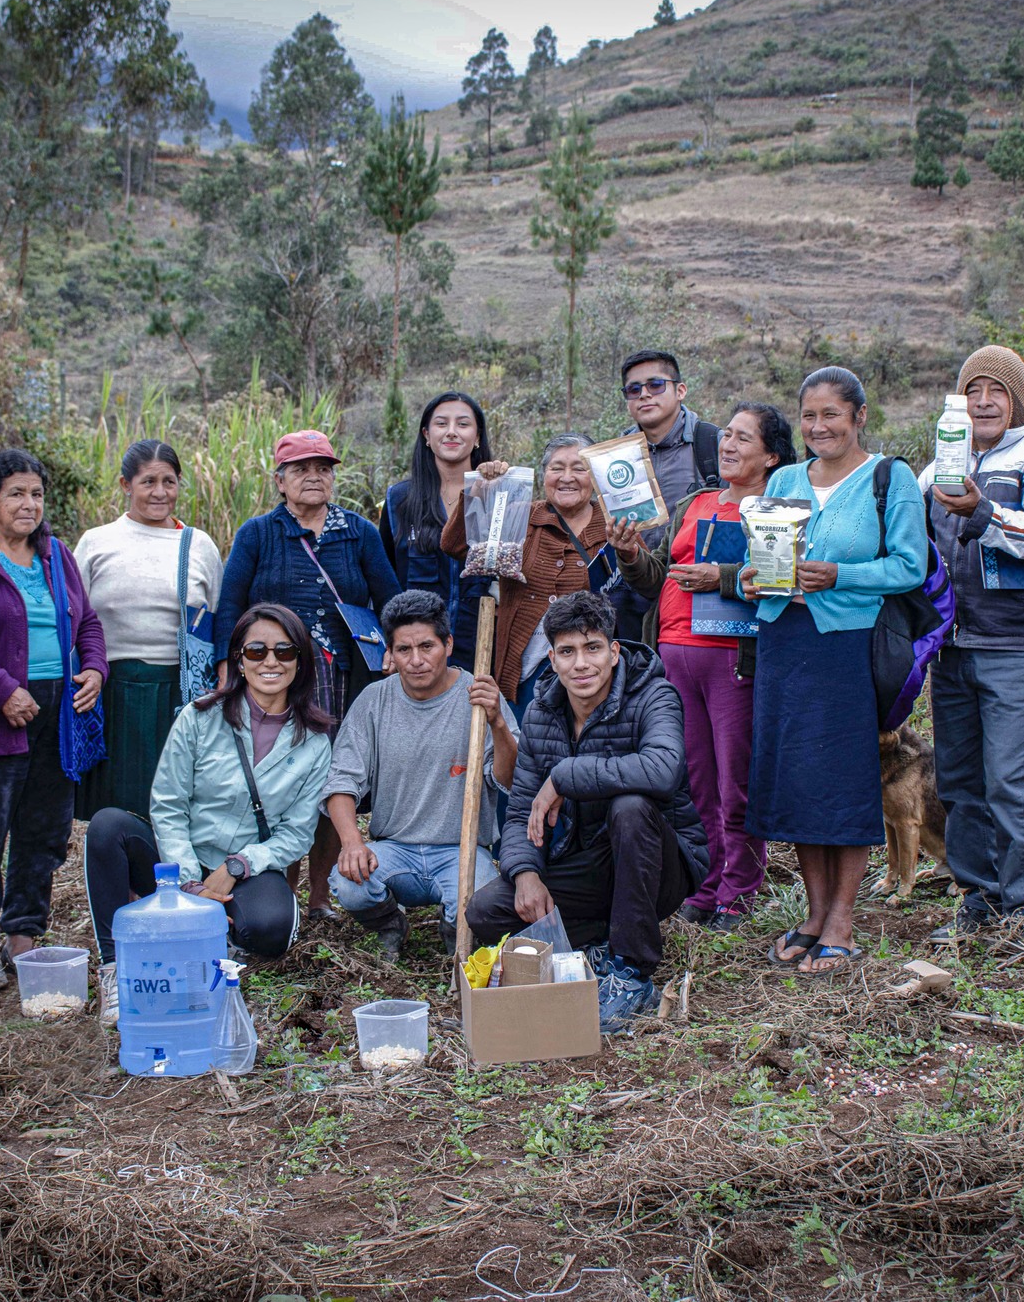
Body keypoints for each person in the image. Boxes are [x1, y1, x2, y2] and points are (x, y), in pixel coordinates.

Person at [742, 367, 927, 974]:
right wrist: (750, 579)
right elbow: (764, 558)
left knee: (843, 783)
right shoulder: (787, 478)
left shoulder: (888, 478)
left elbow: (909, 565)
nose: (819, 427)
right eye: (810, 416)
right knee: (797, 781)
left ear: (860, 416)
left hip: (846, 646)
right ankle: (814, 914)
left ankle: (843, 919)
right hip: (783, 642)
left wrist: (841, 575)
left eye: (832, 415)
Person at [466, 591, 708, 1031]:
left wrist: (563, 776)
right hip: (589, 865)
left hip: (661, 862)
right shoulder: (542, 713)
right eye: (567, 652)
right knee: (486, 911)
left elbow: (663, 769)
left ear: (614, 652)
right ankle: (602, 942)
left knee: (630, 806)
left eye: (593, 648)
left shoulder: (654, 695)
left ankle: (631, 970)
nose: (581, 664)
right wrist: (526, 874)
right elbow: (520, 811)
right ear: (553, 661)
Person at [83, 603, 332, 1020]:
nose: (270, 661)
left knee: (272, 929)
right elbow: (168, 803)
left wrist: (239, 864)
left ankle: (210, 936)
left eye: (284, 651)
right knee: (108, 827)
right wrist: (188, 882)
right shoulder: (200, 717)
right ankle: (115, 966)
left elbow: (296, 834)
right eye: (256, 651)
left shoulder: (314, 742)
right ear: (238, 658)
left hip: (244, 870)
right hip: (178, 862)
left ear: (301, 660)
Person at [916, 346, 1024, 942]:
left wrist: (984, 511)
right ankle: (978, 896)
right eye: (973, 391)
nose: (984, 401)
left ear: (1018, 400)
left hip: (1016, 642)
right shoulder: (942, 462)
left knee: (1009, 777)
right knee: (959, 778)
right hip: (953, 645)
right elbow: (915, 539)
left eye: (997, 391)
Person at [0, 450, 107, 993]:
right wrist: (2, 689)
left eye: (36, 494)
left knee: (43, 831)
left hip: (57, 713)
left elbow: (89, 621)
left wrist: (96, 669)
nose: (29, 504)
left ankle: (24, 932)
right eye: (16, 494)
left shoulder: (56, 556)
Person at [620, 402, 797, 932]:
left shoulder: (776, 508)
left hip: (732, 658)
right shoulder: (694, 503)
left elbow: (777, 576)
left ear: (770, 456)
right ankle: (708, 881)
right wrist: (630, 556)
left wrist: (720, 577)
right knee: (695, 779)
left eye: (744, 439)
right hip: (675, 654)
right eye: (727, 436)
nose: (729, 445)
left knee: (733, 778)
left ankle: (740, 888)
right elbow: (660, 580)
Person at [216, 430, 398, 918]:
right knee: (278, 785)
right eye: (301, 469)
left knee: (332, 782)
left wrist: (394, 648)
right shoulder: (257, 534)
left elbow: (389, 598)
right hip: (276, 681)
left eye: (323, 468)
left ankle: (320, 896)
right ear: (280, 480)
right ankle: (277, 893)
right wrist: (222, 669)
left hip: (342, 681)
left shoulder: (358, 532)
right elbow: (231, 605)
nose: (314, 477)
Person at [326, 590, 518, 960]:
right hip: (394, 849)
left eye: (427, 647)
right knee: (350, 885)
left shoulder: (478, 697)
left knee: (482, 899)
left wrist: (497, 724)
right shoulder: (374, 700)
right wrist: (352, 843)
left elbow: (508, 780)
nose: (416, 661)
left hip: (462, 850)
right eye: (403, 650)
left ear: (447, 644)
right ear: (390, 652)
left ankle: (455, 926)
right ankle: (389, 924)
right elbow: (341, 781)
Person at [73, 440, 223, 822]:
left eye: (169, 482)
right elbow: (76, 619)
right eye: (148, 482)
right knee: (116, 810)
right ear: (126, 485)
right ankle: (121, 882)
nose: (160, 492)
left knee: (177, 806)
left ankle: (175, 881)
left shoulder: (199, 545)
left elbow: (217, 619)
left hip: (181, 692)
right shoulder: (97, 542)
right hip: (113, 691)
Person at [442, 434, 619, 721]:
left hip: (591, 676)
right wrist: (478, 491)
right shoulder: (521, 516)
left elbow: (643, 586)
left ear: (595, 475)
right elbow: (454, 545)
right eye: (557, 468)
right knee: (525, 756)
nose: (567, 477)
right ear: (544, 475)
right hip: (523, 676)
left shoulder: (613, 524)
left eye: (578, 468)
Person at [377, 392, 496, 670]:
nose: (452, 432)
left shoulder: (497, 495)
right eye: (442, 424)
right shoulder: (400, 500)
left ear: (477, 437)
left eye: (463, 424)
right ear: (427, 436)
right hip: (417, 655)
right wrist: (390, 642)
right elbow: (385, 583)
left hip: (483, 650)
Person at [614, 349, 723, 638]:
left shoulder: (714, 445)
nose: (644, 395)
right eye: (634, 389)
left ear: (680, 390)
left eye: (656, 385)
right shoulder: (616, 456)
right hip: (633, 595)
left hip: (699, 597)